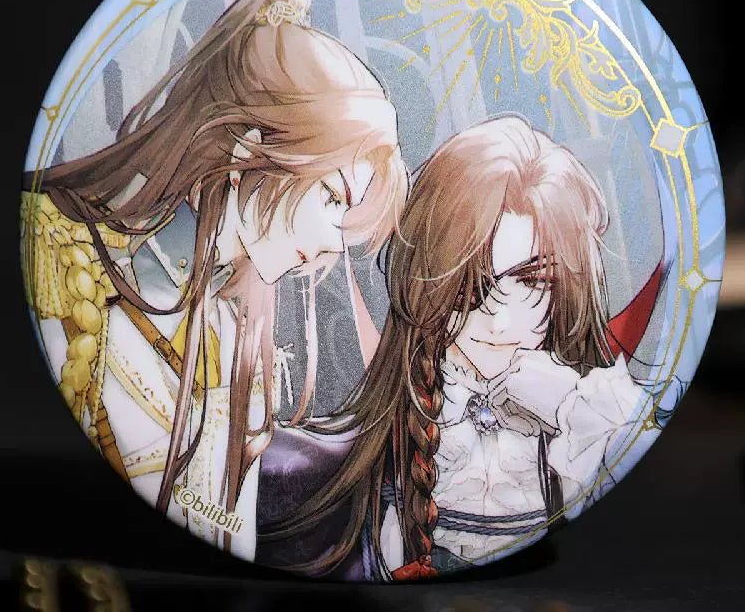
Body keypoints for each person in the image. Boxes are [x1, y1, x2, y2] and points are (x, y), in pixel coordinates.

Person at [20, 0, 408, 560]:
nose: (332, 243)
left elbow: (229, 543)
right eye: (332, 197)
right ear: (248, 142)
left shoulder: (236, 339)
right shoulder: (55, 250)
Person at [258, 114, 664, 579]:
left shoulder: (589, 417)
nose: (500, 320)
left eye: (533, 281)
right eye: (473, 282)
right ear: (429, 275)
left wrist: (572, 405)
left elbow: (647, 479)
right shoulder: (327, 464)